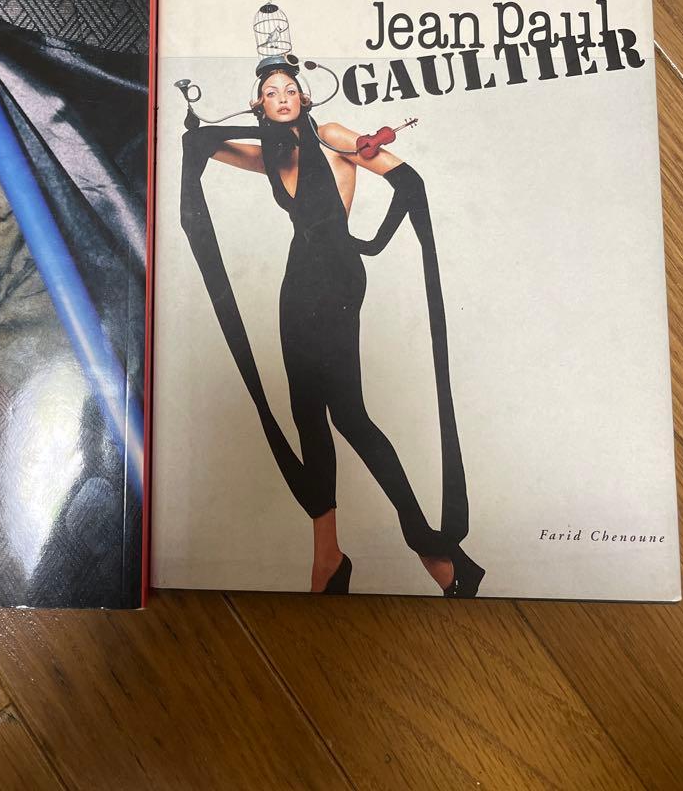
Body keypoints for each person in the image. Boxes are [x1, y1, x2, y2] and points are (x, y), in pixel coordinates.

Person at [180, 54, 484, 596]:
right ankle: (328, 556)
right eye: (271, 92)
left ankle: (435, 552)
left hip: (338, 279)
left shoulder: (332, 136)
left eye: (289, 89)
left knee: (350, 415)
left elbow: (409, 183)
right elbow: (212, 149)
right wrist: (194, 131)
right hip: (297, 283)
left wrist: (371, 242)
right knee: (307, 415)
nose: (282, 96)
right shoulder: (272, 154)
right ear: (258, 104)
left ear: (304, 97)